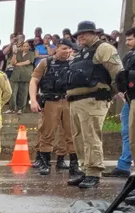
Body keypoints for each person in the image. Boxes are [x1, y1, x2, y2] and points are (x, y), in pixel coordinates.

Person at [66, 21, 125, 189]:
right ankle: (85, 169)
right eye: (78, 35)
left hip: (94, 100)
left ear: (95, 34)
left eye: (85, 33)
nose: (80, 37)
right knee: (79, 137)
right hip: (76, 101)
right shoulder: (81, 53)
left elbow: (117, 73)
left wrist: (119, 93)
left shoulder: (104, 48)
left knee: (91, 136)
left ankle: (93, 172)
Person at [29, 41, 79, 177]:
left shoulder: (75, 63)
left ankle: (74, 166)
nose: (67, 51)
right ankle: (45, 164)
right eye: (64, 48)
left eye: (69, 49)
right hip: (51, 101)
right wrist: (33, 100)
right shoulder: (46, 63)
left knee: (72, 134)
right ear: (56, 49)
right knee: (47, 133)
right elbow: (34, 80)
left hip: (70, 101)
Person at [104, 28, 135, 179]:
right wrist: (120, 90)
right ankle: (123, 166)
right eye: (127, 39)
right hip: (129, 100)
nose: (127, 42)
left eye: (130, 39)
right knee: (126, 132)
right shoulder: (129, 55)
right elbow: (120, 74)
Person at [8, 39, 36, 113]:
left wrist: (16, 64)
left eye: (27, 46)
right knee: (13, 92)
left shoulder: (31, 53)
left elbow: (27, 62)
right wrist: (14, 54)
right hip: (16, 75)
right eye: (24, 46)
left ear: (29, 47)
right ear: (21, 47)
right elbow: (12, 62)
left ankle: (21, 109)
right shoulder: (18, 53)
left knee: (23, 93)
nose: (25, 47)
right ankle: (12, 108)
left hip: (26, 75)